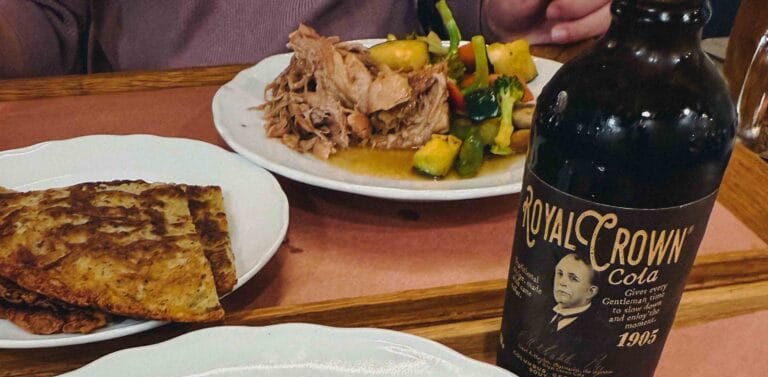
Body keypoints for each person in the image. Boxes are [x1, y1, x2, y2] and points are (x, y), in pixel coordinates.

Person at [0, 0, 612, 78]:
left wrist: (497, 17)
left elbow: (459, 12)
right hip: (133, 131)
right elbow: (47, 17)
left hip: (388, 180)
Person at [550, 252, 599, 331]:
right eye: (560, 273)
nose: (562, 282)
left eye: (573, 278)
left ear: (591, 292)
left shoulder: (595, 329)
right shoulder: (540, 313)